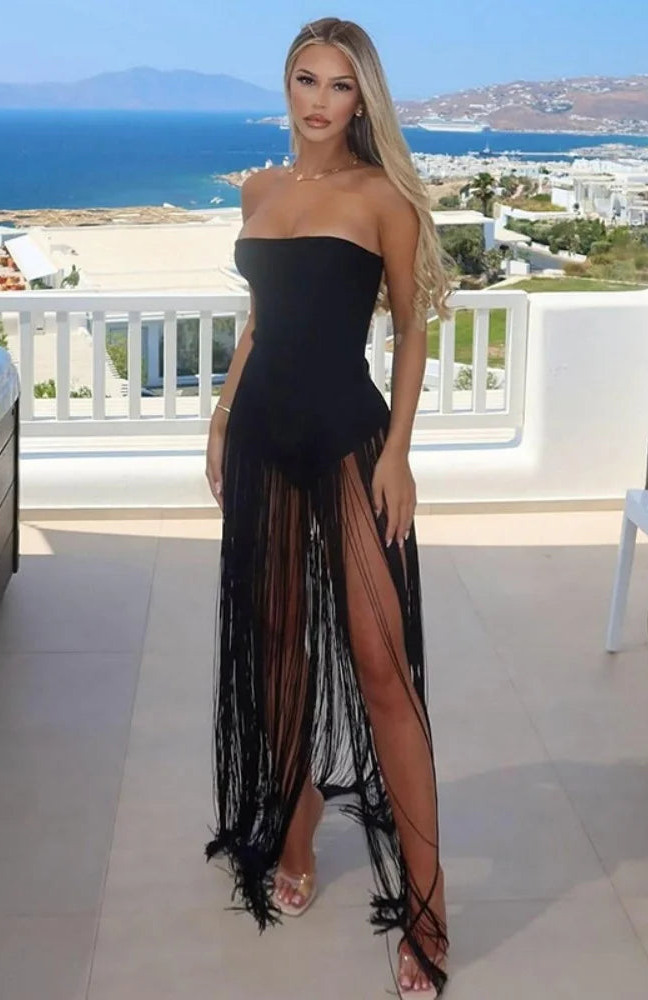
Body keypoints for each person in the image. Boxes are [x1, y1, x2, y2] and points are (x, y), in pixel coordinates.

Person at [204, 17, 453, 997]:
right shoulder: (259, 190)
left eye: (339, 85)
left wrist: (399, 452)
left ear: (363, 98)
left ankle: (428, 909)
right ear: (287, 85)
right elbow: (260, 322)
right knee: (277, 652)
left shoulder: (382, 196)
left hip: (350, 441)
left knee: (383, 666)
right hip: (262, 438)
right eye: (306, 80)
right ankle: (298, 826)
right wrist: (221, 417)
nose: (319, 100)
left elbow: (413, 327)